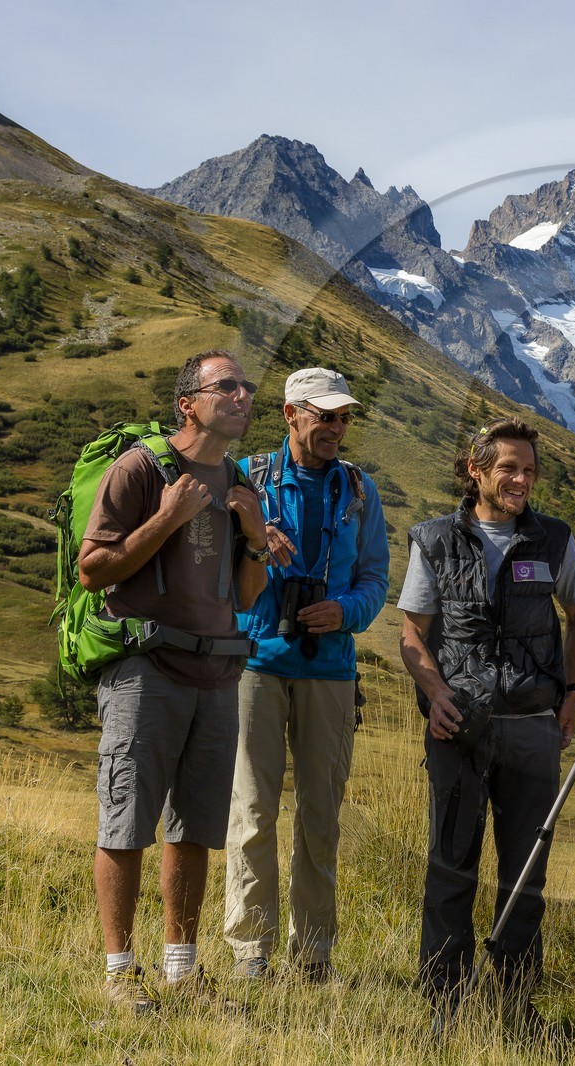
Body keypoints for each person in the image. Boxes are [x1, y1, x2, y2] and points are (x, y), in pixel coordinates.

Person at [78, 350, 270, 1013]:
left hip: (216, 673)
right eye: (228, 387)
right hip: (146, 670)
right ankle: (118, 972)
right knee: (126, 821)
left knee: (195, 829)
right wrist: (167, 517)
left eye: (247, 387)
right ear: (187, 402)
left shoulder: (243, 482)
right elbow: (93, 569)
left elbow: (247, 597)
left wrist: (255, 534)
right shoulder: (139, 469)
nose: (243, 395)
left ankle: (182, 974)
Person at [397, 417, 575, 1028]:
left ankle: (514, 1004)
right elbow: (412, 635)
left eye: (529, 470)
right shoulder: (433, 539)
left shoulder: (554, 539)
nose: (521, 479)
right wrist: (434, 695)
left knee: (526, 873)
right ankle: (444, 1006)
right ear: (475, 469)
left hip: (534, 726)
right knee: (451, 865)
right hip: (461, 729)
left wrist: (572, 694)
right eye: (508, 467)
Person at [224, 367, 390, 983]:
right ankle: (250, 950)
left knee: (322, 814)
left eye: (344, 417)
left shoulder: (360, 490)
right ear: (291, 414)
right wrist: (254, 534)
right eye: (324, 416)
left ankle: (314, 953)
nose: (336, 428)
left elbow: (376, 579)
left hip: (331, 668)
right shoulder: (252, 479)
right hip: (256, 661)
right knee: (253, 810)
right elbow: (214, 555)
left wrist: (344, 611)